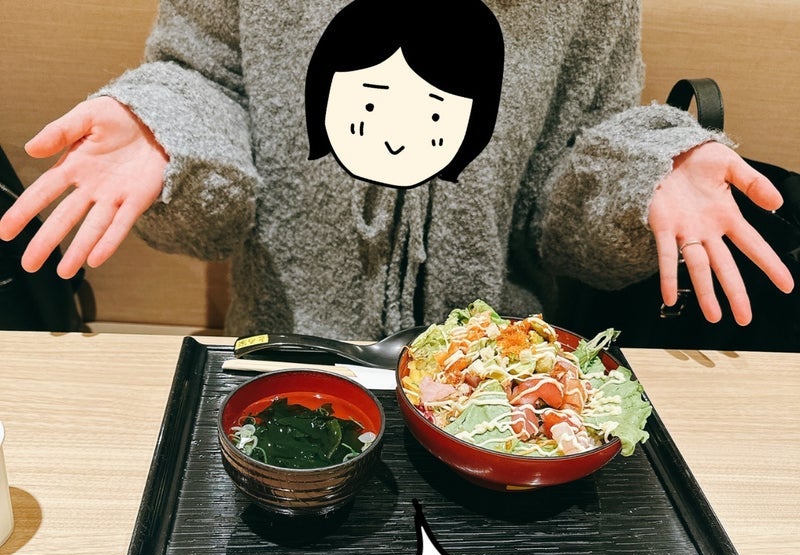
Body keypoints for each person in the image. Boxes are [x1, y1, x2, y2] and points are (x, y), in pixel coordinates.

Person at [0, 0, 793, 339]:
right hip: (284, 350)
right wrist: (167, 126)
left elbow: (573, 179)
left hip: (497, 379)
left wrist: (644, 173)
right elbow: (202, 76)